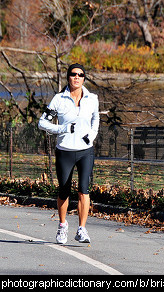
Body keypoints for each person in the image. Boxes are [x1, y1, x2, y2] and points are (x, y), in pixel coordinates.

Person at [38, 63, 99, 244]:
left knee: (84, 190)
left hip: (85, 151)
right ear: (68, 77)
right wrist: (62, 128)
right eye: (73, 74)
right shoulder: (59, 99)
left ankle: (82, 229)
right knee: (64, 190)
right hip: (65, 151)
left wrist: (92, 136)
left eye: (80, 75)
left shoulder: (92, 98)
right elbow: (42, 123)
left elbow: (96, 119)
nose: (77, 77)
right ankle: (63, 226)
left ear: (84, 78)